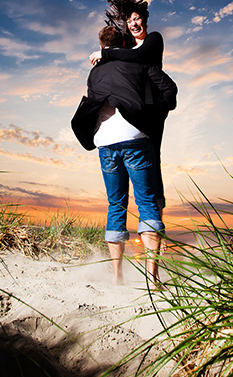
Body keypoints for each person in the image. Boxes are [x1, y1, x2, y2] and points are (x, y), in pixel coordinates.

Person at [71, 26, 178, 285]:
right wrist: (154, 115)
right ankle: (152, 278)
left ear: (101, 45)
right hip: (135, 137)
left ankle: (117, 278)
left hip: (105, 141)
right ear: (123, 43)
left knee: (115, 205)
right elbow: (170, 92)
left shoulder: (94, 70)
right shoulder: (139, 63)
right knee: (148, 203)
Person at [88, 0, 168, 211]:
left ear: (145, 19)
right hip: (132, 108)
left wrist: (107, 52)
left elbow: (139, 57)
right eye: (129, 20)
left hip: (150, 109)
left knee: (153, 164)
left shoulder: (153, 40)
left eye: (137, 18)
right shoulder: (125, 46)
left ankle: (155, 214)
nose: (133, 24)